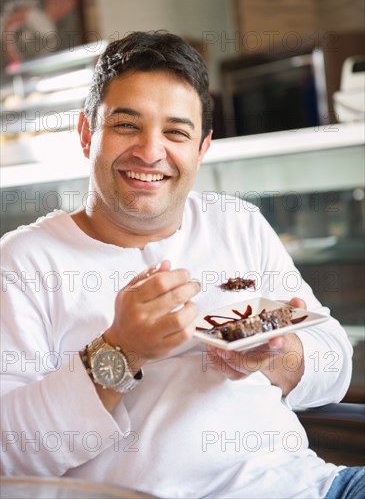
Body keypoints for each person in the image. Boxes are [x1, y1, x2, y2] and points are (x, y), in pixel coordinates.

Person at [0, 31, 363, 498]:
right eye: (127, 125)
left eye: (175, 132)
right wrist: (121, 351)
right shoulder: (23, 262)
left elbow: (336, 364)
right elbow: (9, 449)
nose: (151, 152)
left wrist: (278, 353)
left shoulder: (238, 222)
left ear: (202, 148)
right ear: (87, 133)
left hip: (311, 486)